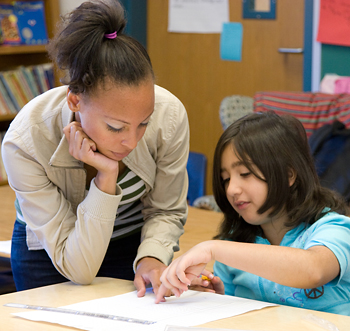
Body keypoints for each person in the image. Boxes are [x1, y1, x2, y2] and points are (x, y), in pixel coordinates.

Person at [1, 0, 189, 296]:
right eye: (116, 127)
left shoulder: (170, 115)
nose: (132, 141)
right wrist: (105, 178)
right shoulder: (26, 140)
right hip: (51, 254)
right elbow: (79, 269)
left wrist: (152, 257)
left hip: (130, 243)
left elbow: (166, 210)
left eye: (143, 123)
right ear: (75, 100)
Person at [155, 112, 350, 316]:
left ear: (288, 174)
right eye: (225, 179)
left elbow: (313, 270)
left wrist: (212, 248)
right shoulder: (235, 244)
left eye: (245, 174)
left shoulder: (334, 228)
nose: (231, 190)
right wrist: (215, 297)